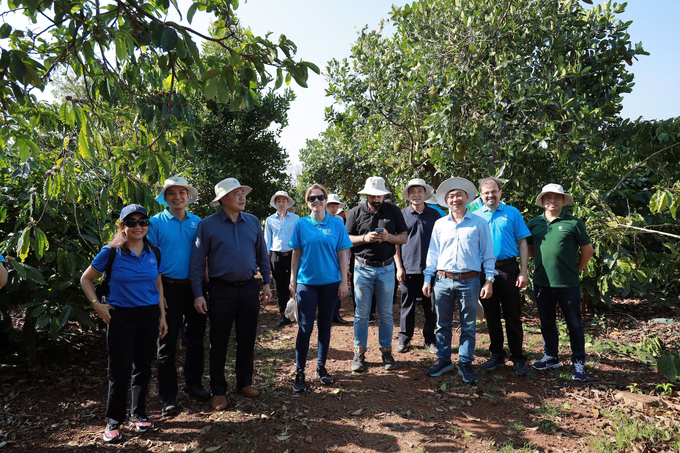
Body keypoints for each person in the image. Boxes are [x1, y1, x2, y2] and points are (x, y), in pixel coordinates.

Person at [80, 204, 167, 443]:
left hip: (148, 315)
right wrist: (96, 304)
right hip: (121, 316)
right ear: (122, 226)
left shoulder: (154, 252)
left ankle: (138, 414)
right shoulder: (110, 252)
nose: (138, 226)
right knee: (118, 370)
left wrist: (162, 316)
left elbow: (158, 285)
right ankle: (113, 421)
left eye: (143, 222)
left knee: (142, 367)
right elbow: (86, 279)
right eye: (132, 222)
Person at [190, 178, 272, 411]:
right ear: (222, 199)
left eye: (242, 193)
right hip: (220, 290)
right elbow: (197, 263)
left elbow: (261, 254)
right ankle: (218, 390)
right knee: (219, 341)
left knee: (246, 339)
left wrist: (266, 282)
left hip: (248, 288)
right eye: (235, 193)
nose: (241, 197)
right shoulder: (207, 225)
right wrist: (198, 293)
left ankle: (244, 382)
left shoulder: (254, 222)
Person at [422, 178, 496, 383]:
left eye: (459, 195)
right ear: (446, 200)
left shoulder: (479, 223)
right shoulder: (439, 224)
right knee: (442, 323)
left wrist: (489, 280)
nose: (455, 199)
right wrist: (428, 279)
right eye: (451, 196)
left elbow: (488, 254)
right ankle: (444, 360)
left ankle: (465, 362)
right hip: (443, 280)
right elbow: (433, 253)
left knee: (469, 325)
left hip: (470, 281)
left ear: (467, 198)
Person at [147, 176, 208, 416]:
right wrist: (157, 293)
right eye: (172, 193)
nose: (177, 197)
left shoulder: (198, 222)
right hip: (167, 288)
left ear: (188, 196)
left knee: (195, 340)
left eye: (182, 192)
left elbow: (204, 257)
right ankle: (168, 396)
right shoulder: (155, 223)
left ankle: (194, 385)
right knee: (166, 343)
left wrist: (203, 289)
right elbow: (150, 261)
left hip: (194, 288)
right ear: (165, 197)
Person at [527, 183, 594, 381]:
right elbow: (530, 248)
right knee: (547, 322)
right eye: (548, 198)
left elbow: (587, 250)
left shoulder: (574, 223)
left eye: (557, 197)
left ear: (563, 200)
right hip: (542, 282)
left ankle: (579, 363)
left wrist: (575, 271)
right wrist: (538, 264)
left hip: (568, 284)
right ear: (542, 201)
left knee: (574, 325)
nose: (552, 201)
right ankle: (551, 356)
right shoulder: (534, 223)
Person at [289, 184, 352, 392]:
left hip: (330, 283)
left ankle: (321, 367)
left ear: (326, 200)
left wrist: (344, 281)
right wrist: (293, 279)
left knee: (325, 325)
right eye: (312, 198)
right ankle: (300, 371)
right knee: (305, 327)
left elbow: (343, 254)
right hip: (306, 283)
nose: (317, 201)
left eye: (320, 197)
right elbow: (296, 253)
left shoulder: (337, 224)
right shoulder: (301, 224)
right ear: (307, 202)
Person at [345, 176, 407, 372]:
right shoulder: (355, 212)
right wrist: (364, 238)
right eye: (372, 195)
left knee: (386, 314)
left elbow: (404, 238)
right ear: (366, 195)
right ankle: (359, 352)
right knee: (361, 314)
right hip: (362, 267)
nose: (376, 199)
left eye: (379, 195)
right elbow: (346, 239)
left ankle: (386, 351)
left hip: (387, 268)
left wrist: (390, 237)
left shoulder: (394, 211)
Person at [472, 177, 531, 376]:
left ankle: (517, 357)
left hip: (508, 269)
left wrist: (523, 271)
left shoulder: (512, 213)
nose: (490, 195)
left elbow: (522, 242)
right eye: (486, 192)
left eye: (493, 191)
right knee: (491, 315)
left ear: (500, 192)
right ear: (480, 195)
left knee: (513, 315)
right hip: (483, 271)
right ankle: (496, 355)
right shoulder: (475, 215)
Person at [394, 179, 439, 354]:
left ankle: (430, 339)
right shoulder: (401, 214)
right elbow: (396, 243)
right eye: (413, 192)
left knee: (431, 306)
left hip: (431, 269)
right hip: (407, 268)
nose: (416, 195)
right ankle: (404, 339)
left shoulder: (435, 215)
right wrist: (399, 267)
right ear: (408, 195)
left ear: (425, 194)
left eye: (420, 191)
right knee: (407, 305)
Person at [264, 190, 299, 328]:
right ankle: (284, 315)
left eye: (283, 201)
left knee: (295, 282)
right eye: (278, 201)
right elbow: (267, 239)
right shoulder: (270, 220)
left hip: (292, 255)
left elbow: (299, 237)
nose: (281, 203)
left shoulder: (296, 218)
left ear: (288, 203)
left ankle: (298, 311)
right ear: (275, 203)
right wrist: (266, 257)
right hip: (276, 256)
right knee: (280, 286)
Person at [326, 193, 350, 324]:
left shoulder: (340, 221)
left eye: (336, 206)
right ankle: (324, 315)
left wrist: (345, 263)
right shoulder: (321, 220)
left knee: (338, 286)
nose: (334, 209)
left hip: (337, 257)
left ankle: (336, 313)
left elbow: (343, 242)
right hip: (325, 258)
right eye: (331, 206)